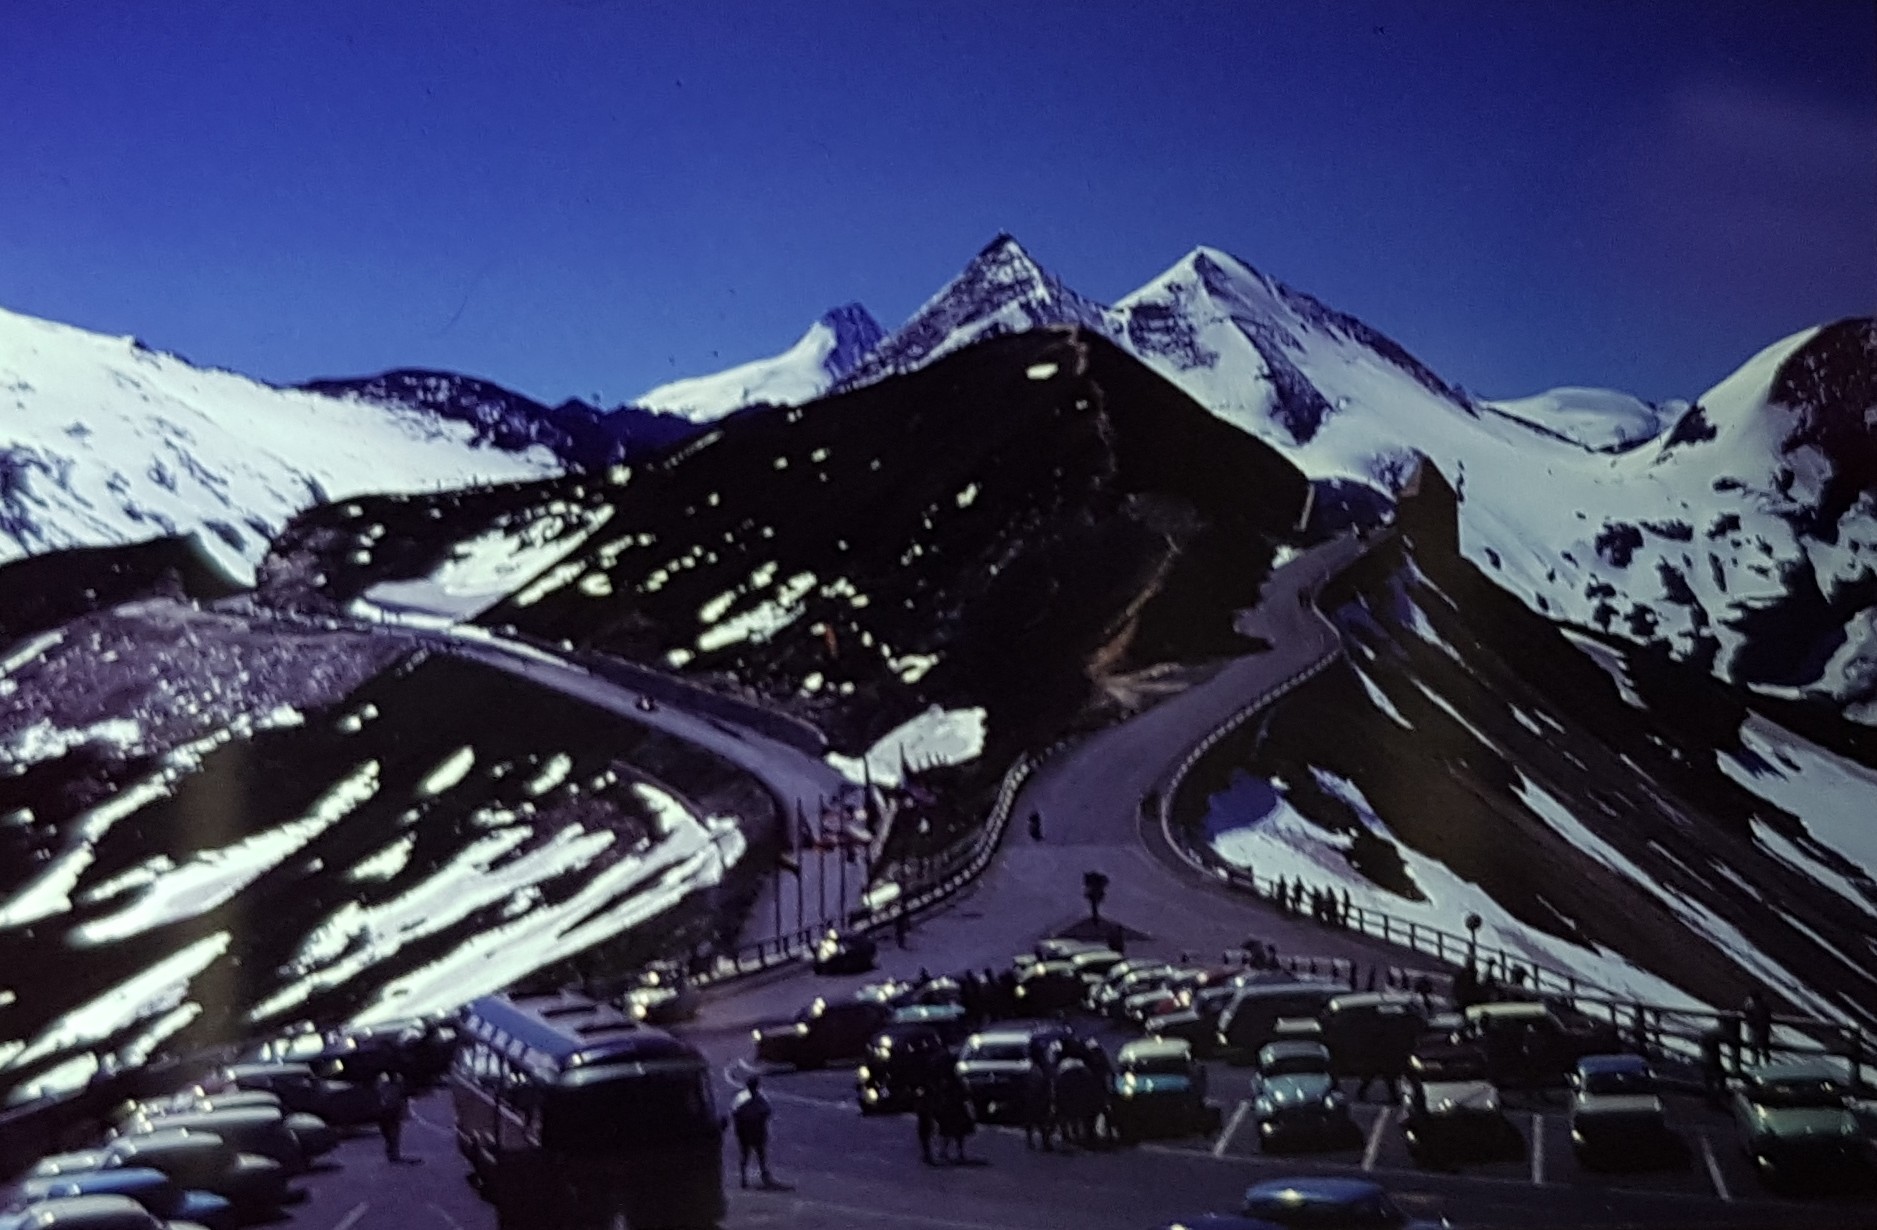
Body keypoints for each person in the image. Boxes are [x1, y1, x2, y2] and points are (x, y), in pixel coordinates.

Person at [730, 1076, 777, 1189]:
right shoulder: (759, 1098)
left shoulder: (741, 1097)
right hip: (755, 1130)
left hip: (745, 1131)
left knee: (746, 1155)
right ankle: (760, 1175)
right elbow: (767, 1112)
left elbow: (735, 1113)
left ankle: (744, 1178)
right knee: (759, 1154)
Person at [375, 1071, 411, 1163]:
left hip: (392, 1109)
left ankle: (393, 1153)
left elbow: (402, 1097)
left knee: (392, 1131)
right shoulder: (384, 1082)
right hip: (387, 1109)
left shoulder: (396, 1082)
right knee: (390, 1132)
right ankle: (392, 1153)